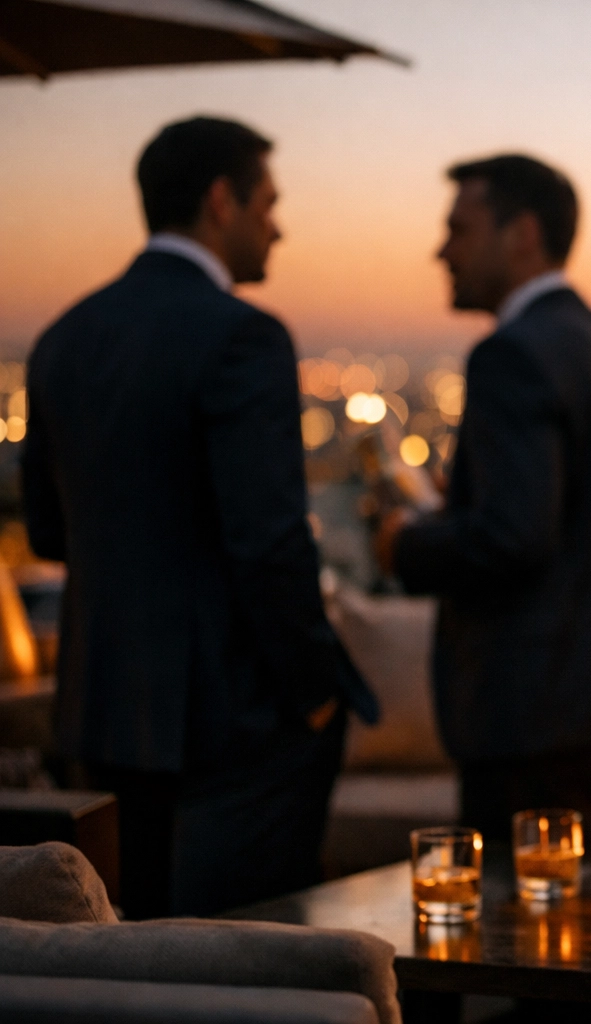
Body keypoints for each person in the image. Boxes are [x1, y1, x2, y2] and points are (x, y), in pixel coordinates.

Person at [23, 116, 376, 919]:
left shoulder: (63, 339)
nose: (276, 226)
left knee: (126, 949)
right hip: (231, 719)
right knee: (250, 953)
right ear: (221, 200)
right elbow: (268, 541)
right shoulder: (242, 338)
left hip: (103, 709)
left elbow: (50, 534)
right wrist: (315, 692)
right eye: (268, 203)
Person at [376, 154, 591, 866]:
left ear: (522, 233)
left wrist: (405, 545)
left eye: (459, 227)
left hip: (530, 702)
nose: (441, 249)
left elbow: (513, 539)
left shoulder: (511, 355)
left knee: (520, 930)